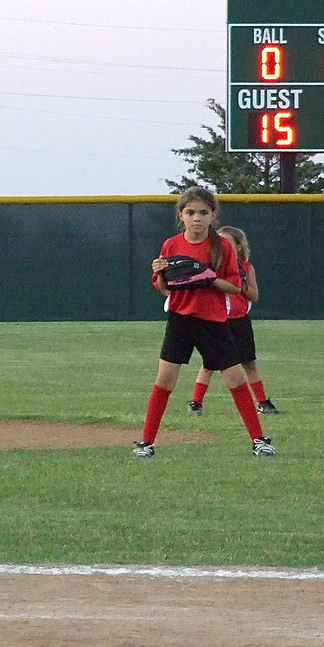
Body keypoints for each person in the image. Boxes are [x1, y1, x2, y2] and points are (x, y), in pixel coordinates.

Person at [133, 187, 275, 459]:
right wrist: (160, 274)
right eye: (190, 212)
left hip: (213, 320)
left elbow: (235, 288)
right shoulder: (171, 245)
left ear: (213, 215)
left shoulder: (221, 247)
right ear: (181, 215)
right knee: (164, 380)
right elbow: (166, 288)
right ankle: (146, 443)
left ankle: (259, 440)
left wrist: (206, 276)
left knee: (234, 379)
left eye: (203, 212)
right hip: (180, 319)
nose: (196, 218)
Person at [186, 225, 280, 416]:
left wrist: (242, 284)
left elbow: (254, 296)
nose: (223, 245)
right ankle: (196, 402)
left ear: (238, 246)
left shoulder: (246, 267)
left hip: (240, 321)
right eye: (219, 242)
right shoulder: (212, 268)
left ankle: (263, 402)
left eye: (228, 242)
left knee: (249, 363)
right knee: (209, 364)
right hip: (217, 319)